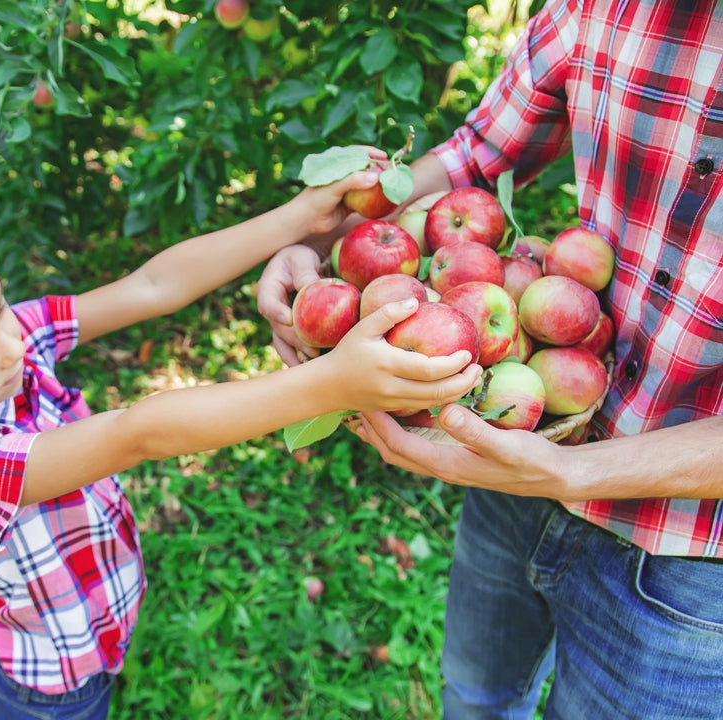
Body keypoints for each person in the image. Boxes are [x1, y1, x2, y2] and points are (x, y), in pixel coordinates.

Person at [0, 176, 481, 719]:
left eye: (1, 308)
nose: (10, 344)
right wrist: (331, 384)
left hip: (92, 624)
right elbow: (138, 432)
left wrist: (292, 218)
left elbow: (154, 284)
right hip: (50, 685)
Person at [255, 0, 723, 717]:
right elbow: (477, 158)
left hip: (689, 557)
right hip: (517, 446)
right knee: (474, 698)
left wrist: (572, 470)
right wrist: (324, 247)